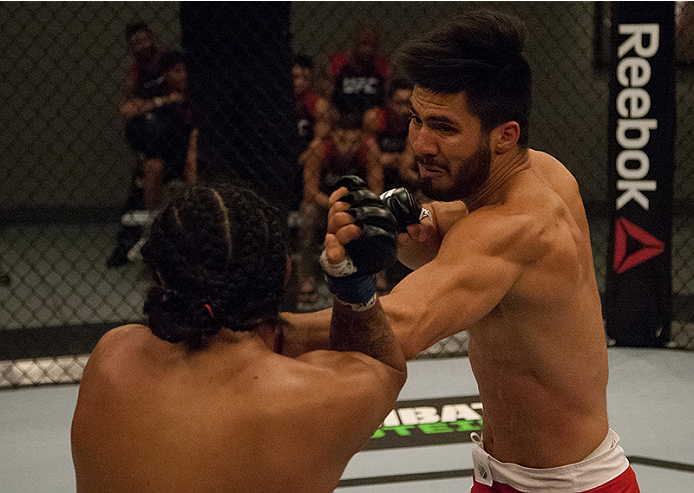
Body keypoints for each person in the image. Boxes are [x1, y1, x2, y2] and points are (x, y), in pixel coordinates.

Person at [282, 9, 641, 492]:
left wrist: (261, 327)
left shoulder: (513, 228)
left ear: (504, 135)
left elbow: (397, 331)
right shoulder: (544, 173)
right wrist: (412, 225)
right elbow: (439, 242)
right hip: (503, 475)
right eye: (416, 121)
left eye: (444, 128)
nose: (421, 144)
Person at [72, 182, 406, 493]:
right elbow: (380, 366)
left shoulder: (111, 355)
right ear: (285, 272)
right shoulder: (312, 396)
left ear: (158, 273)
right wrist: (352, 281)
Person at [107, 49, 198, 267]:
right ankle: (152, 231)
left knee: (193, 164)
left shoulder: (197, 93)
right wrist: (164, 101)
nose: (183, 75)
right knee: (151, 167)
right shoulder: (154, 90)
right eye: (177, 71)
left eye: (186, 70)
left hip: (190, 156)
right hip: (162, 156)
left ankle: (196, 229)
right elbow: (127, 109)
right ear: (166, 73)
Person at [298, 113, 383, 304]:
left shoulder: (370, 149)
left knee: (379, 213)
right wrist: (335, 205)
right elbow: (310, 191)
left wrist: (354, 207)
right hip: (325, 205)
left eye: (354, 141)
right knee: (308, 214)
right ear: (333, 135)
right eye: (343, 140)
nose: (348, 146)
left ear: (361, 137)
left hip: (358, 207)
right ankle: (307, 280)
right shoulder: (319, 148)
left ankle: (379, 276)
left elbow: (376, 190)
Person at [328, 18, 390, 138]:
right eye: (364, 44)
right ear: (355, 43)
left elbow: (387, 98)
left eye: (372, 45)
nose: (368, 49)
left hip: (371, 120)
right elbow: (328, 95)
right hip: (342, 116)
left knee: (374, 117)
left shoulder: (382, 65)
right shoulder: (339, 61)